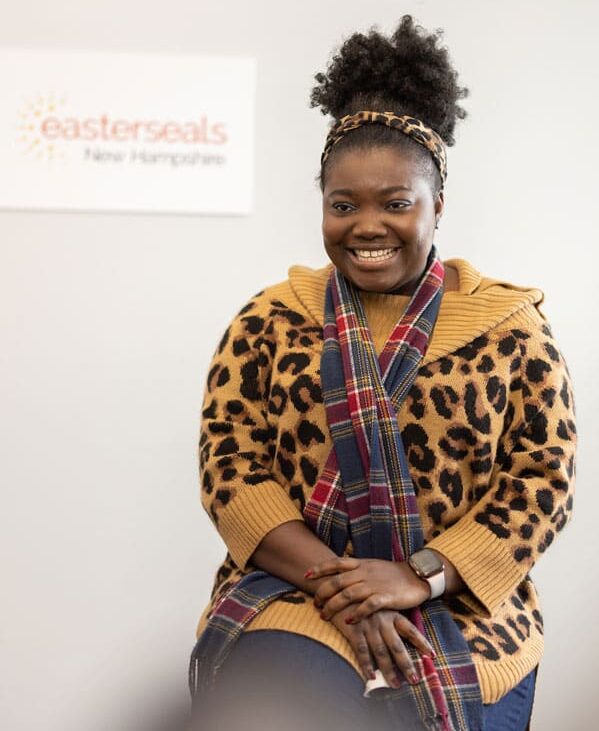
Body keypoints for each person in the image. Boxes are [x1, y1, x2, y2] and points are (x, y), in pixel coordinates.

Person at [188, 15, 576, 731]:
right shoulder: (271, 318)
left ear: (436, 205)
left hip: (462, 604)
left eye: (395, 203)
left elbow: (540, 483)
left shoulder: (509, 325)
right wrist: (348, 589)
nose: (366, 225)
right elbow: (230, 469)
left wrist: (412, 577)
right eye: (343, 205)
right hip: (297, 591)